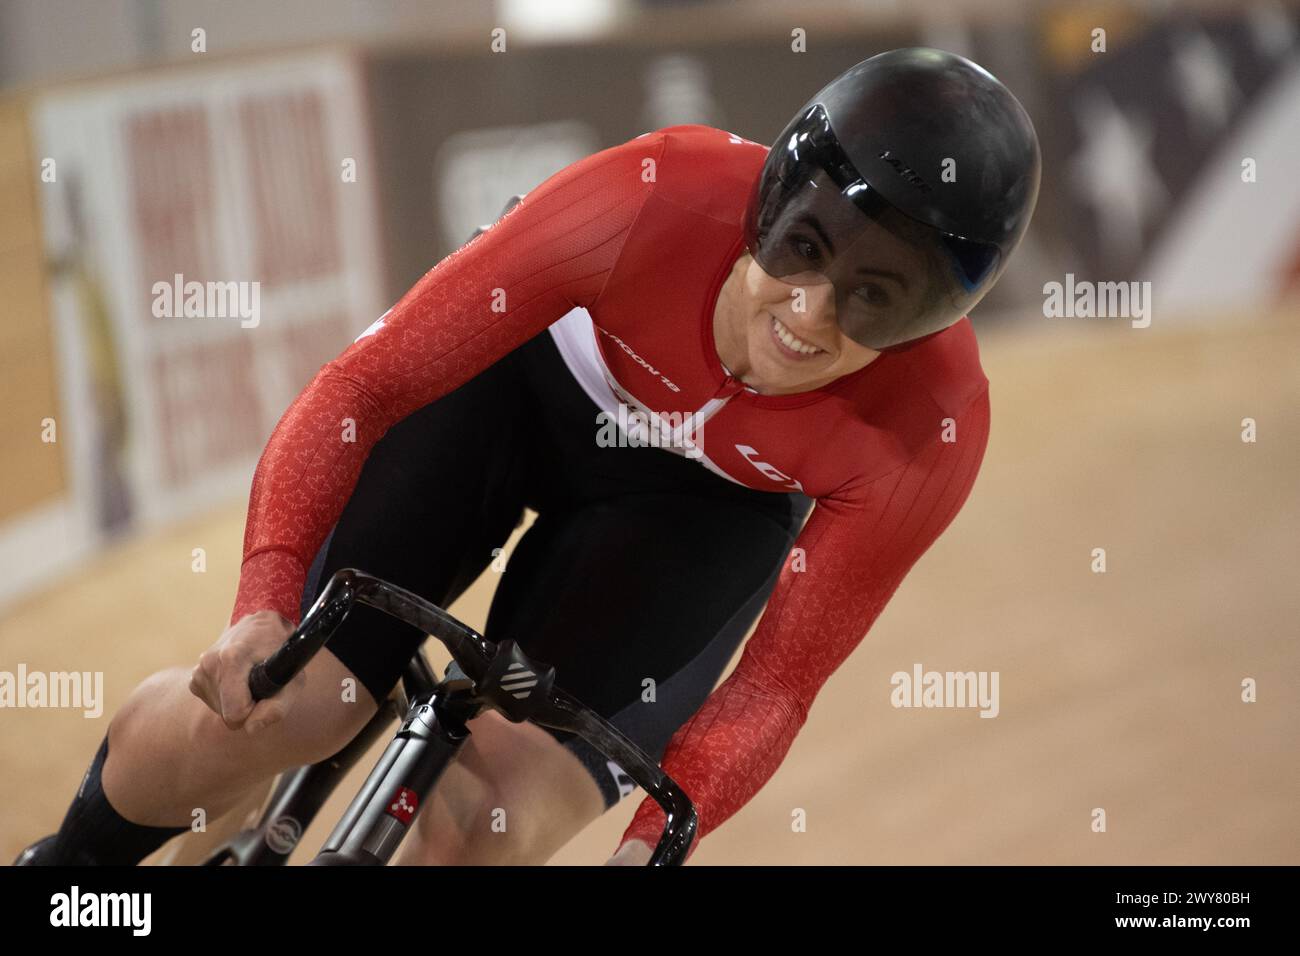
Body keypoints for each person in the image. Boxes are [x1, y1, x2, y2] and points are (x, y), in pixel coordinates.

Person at [16, 47, 1039, 867]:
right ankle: (68, 871)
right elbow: (359, 389)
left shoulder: (935, 418)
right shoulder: (646, 197)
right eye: (805, 252)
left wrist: (653, 841)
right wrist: (263, 595)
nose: (810, 317)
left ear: (936, 316)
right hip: (515, 391)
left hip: (698, 507)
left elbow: (773, 688)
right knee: (287, 708)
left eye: (878, 296)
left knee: (490, 824)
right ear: (770, 203)